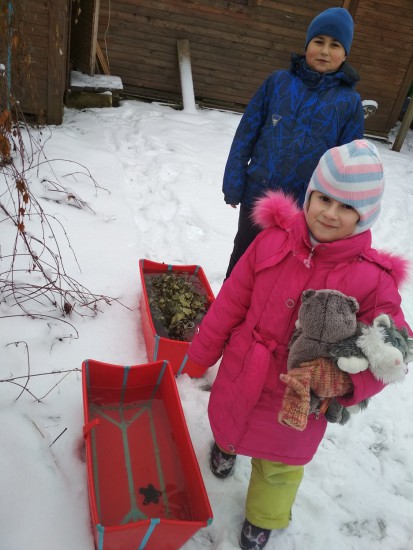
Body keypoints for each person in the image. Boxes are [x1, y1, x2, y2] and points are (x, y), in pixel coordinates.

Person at [188, 139, 411, 550]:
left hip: (300, 399)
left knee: (279, 467)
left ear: (366, 217)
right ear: (309, 194)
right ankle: (225, 447)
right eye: (323, 198)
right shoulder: (271, 241)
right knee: (229, 418)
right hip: (243, 368)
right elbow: (233, 299)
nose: (329, 213)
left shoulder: (372, 280)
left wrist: (345, 384)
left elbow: (392, 351)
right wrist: (203, 351)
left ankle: (263, 517)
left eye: (347, 207)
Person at [223, 7, 364, 278]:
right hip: (258, 193)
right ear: (307, 44)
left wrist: (338, 214)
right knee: (243, 256)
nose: (324, 50)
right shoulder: (278, 83)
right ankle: (224, 315)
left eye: (335, 45)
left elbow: (348, 167)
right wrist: (233, 184)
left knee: (282, 269)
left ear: (345, 54)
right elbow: (246, 135)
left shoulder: (348, 103)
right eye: (318, 41)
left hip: (305, 207)